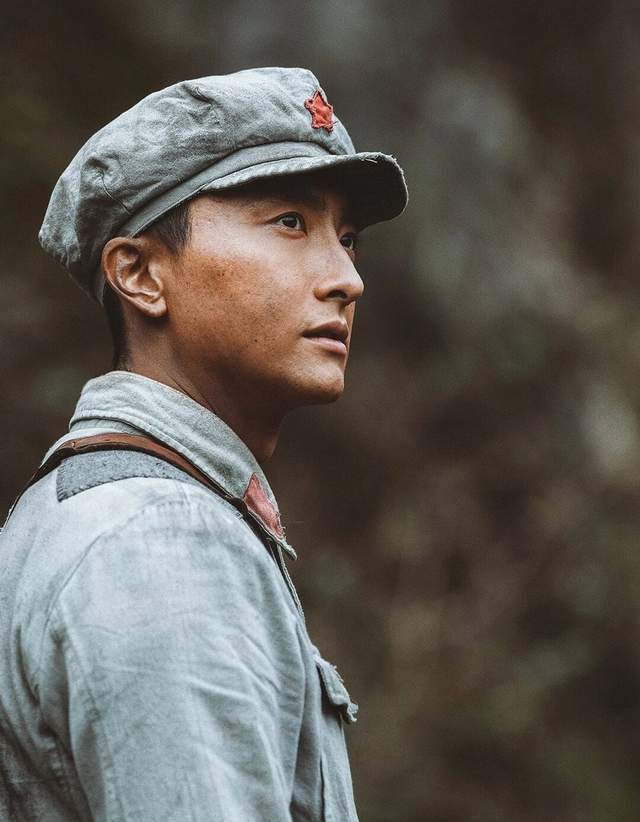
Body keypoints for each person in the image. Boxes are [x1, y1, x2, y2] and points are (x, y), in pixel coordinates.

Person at [0, 67, 407, 821]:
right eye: (291, 223)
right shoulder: (160, 539)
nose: (347, 278)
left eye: (346, 238)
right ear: (140, 276)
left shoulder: (97, 508)